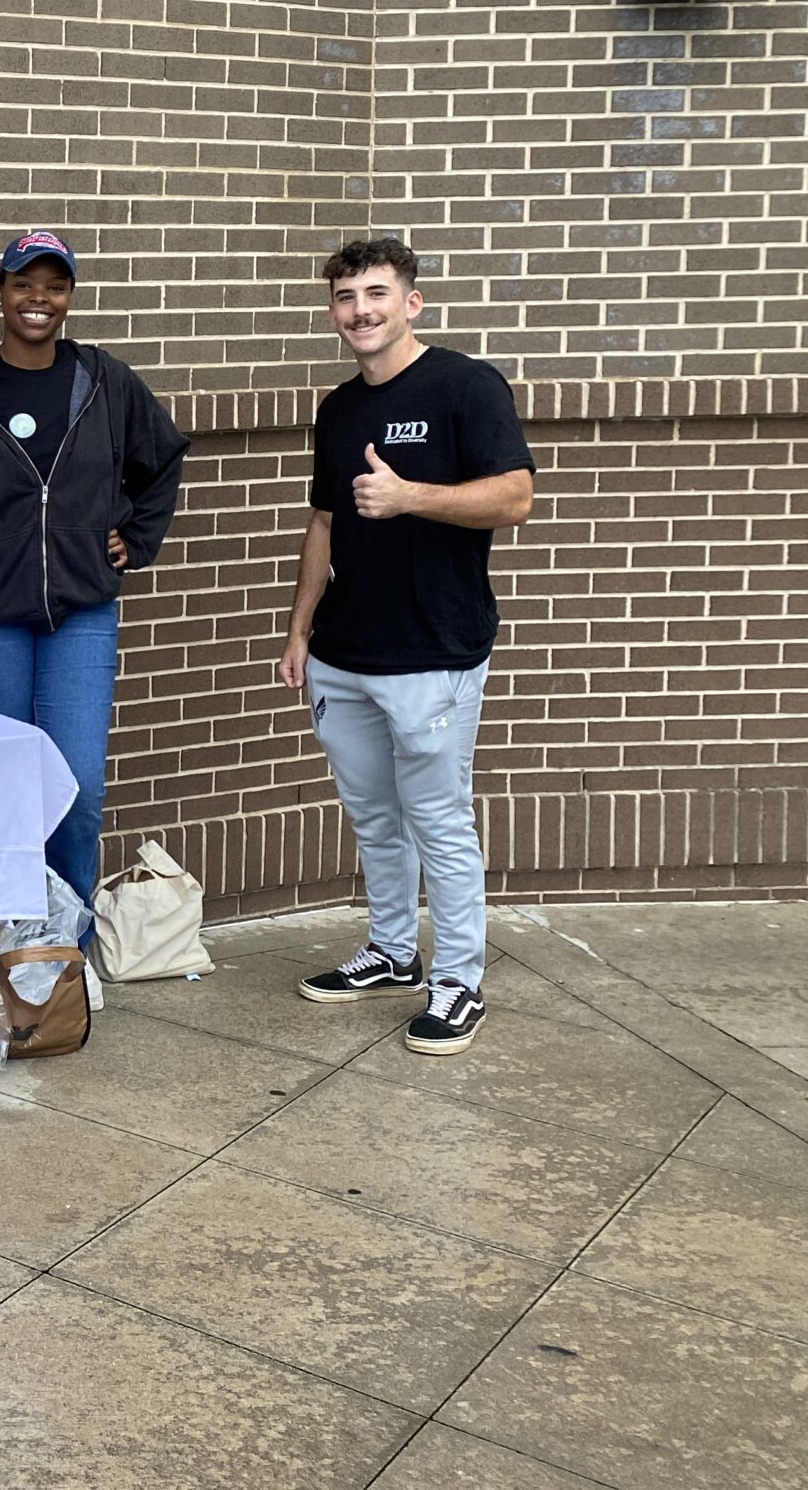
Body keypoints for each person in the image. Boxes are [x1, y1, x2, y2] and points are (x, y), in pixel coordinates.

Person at [278, 237, 534, 1054]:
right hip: (343, 655)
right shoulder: (338, 408)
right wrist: (299, 632)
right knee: (373, 817)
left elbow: (516, 497)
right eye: (347, 298)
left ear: (411, 302)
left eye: (377, 294)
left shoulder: (466, 386)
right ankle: (391, 951)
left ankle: (458, 980)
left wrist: (408, 495)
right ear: (332, 312)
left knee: (439, 821)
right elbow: (324, 522)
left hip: (434, 653)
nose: (362, 310)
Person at [0, 230, 189, 954]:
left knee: (78, 792)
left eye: (53, 285)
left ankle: (68, 951)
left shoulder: (102, 381)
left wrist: (138, 537)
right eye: (23, 283)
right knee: (1, 794)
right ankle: (2, 941)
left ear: (69, 297)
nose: (39, 299)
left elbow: (164, 459)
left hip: (81, 616)